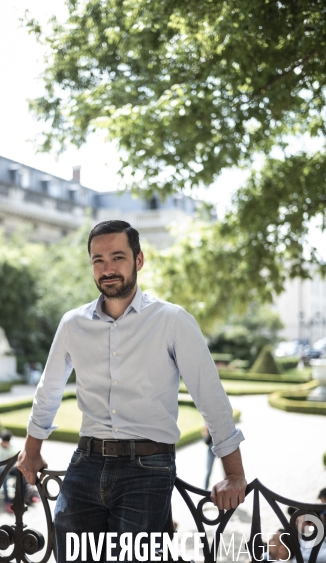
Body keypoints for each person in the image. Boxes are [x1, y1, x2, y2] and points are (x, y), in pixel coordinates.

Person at [17, 220, 247, 561]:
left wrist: (234, 473)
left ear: (139, 260)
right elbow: (47, 391)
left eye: (117, 257)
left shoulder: (172, 321)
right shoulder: (72, 324)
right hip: (85, 462)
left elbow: (210, 396)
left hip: (148, 468)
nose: (107, 269)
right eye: (98, 260)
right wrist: (31, 450)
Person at [0, 431, 39, 513]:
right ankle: (8, 502)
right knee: (4, 476)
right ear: (1, 441)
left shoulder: (10, 445)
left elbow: (14, 458)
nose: (6, 445)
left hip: (5, 469)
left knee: (21, 471)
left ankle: (26, 495)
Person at [202, 425, 216, 490]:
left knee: (226, 470)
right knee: (208, 471)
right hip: (211, 449)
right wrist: (206, 432)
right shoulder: (206, 425)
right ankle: (205, 490)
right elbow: (206, 441)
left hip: (221, 447)